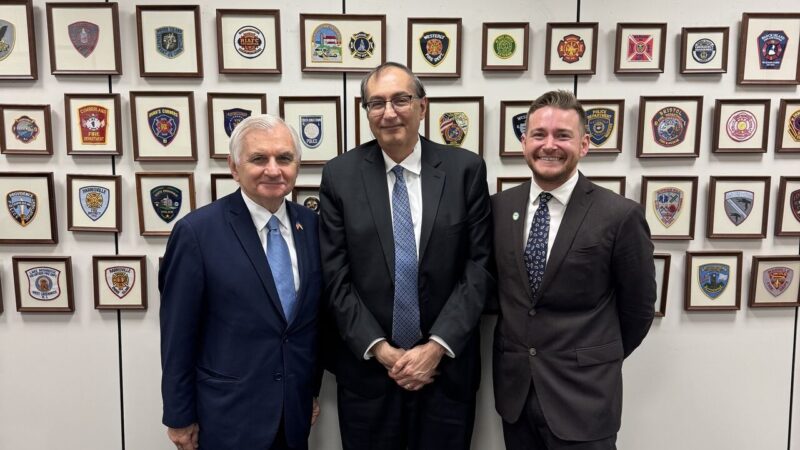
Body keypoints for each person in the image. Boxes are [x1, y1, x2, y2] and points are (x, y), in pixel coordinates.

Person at [319, 61, 493, 450]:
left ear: (423, 106)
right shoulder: (339, 175)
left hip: (445, 373)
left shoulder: (465, 170)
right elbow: (335, 276)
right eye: (376, 103)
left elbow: (479, 267)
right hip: (368, 376)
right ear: (365, 112)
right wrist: (381, 350)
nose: (389, 112)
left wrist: (434, 349)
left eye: (401, 99)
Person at [491, 90, 656, 450]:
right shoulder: (500, 208)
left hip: (585, 399)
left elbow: (639, 310)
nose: (549, 145)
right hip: (516, 397)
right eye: (539, 135)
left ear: (584, 145)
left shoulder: (619, 215)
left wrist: (593, 359)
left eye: (562, 136)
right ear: (524, 143)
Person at [159, 114, 322, 450]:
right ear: (234, 168)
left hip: (294, 412)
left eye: (285, 159)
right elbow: (177, 333)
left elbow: (310, 325)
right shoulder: (197, 233)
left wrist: (311, 391)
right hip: (226, 416)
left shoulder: (314, 228)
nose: (274, 170)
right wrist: (178, 415)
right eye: (259, 159)